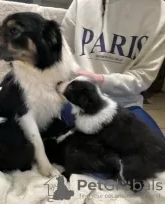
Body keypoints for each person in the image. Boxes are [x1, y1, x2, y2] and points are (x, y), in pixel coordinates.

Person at [61, 0, 165, 137]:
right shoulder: (82, 2)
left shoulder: (160, 12)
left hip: (126, 103)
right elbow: (61, 49)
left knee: (156, 152)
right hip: (75, 98)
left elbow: (143, 76)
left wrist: (99, 80)